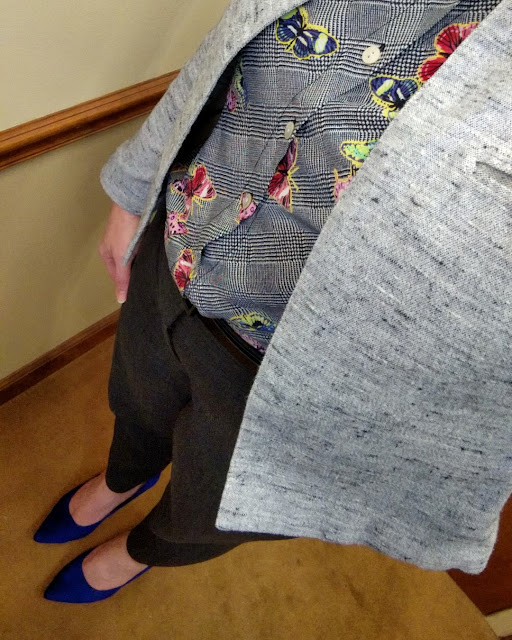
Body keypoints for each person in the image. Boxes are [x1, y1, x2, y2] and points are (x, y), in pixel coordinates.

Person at [35, 0, 505, 602]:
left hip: (303, 379)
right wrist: (134, 183)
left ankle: (139, 552)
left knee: (207, 510)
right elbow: (237, 38)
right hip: (179, 251)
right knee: (137, 405)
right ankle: (123, 478)